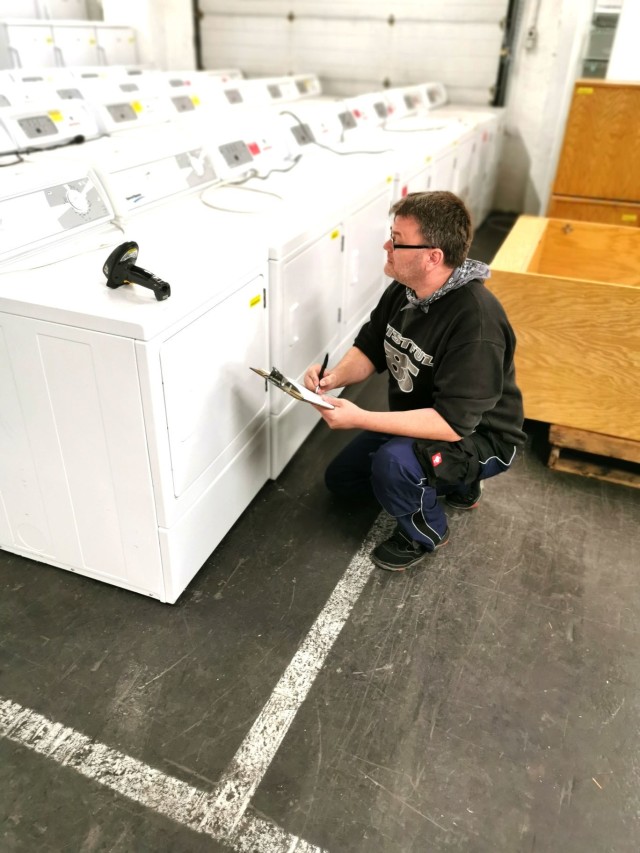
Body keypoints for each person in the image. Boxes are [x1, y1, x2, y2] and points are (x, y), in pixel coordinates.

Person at [304, 190, 526, 572]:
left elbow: (451, 424)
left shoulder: (476, 322)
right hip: (425, 421)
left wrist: (359, 418)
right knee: (343, 481)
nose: (386, 245)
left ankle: (425, 531)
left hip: (478, 436)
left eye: (398, 240)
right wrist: (333, 377)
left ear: (432, 257)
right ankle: (453, 482)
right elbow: (372, 347)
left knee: (394, 464)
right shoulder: (406, 291)